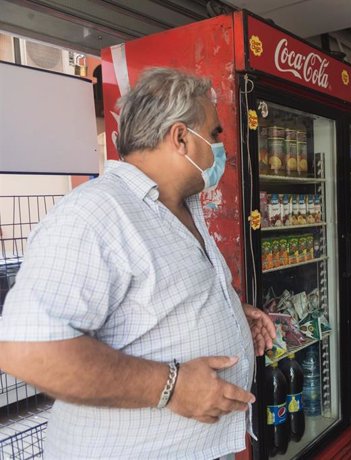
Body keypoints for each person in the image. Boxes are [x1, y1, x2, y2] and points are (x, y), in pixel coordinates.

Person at [0, 67, 276, 459]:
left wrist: (230, 312)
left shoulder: (183, 206)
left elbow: (160, 299)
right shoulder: (95, 213)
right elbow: (28, 349)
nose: (221, 145)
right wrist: (173, 387)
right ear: (181, 137)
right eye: (214, 133)